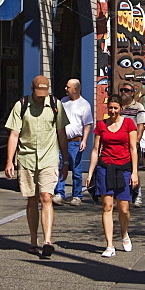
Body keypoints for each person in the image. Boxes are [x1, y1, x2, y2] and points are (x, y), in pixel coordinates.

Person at [5, 75, 69, 257]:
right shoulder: (21, 105)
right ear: (32, 89)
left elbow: (61, 134)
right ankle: (34, 240)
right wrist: (10, 160)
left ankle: (47, 240)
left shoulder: (56, 105)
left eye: (44, 93)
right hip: (26, 158)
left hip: (49, 158)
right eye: (38, 93)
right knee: (32, 199)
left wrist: (65, 161)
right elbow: (14, 134)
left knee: (46, 197)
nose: (41, 97)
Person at [86, 93, 139, 257]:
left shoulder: (129, 124)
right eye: (110, 108)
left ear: (121, 109)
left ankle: (124, 234)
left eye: (116, 108)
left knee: (124, 209)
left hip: (124, 168)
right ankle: (109, 245)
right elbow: (96, 150)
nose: (113, 111)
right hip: (105, 168)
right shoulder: (101, 125)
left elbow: (133, 149)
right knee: (107, 206)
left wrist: (135, 172)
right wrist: (90, 172)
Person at [53, 78, 93, 206]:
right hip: (61, 141)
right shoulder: (63, 102)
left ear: (75, 89)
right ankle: (59, 193)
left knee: (76, 170)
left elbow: (87, 124)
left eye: (68, 87)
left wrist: (84, 140)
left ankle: (77, 195)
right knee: (60, 167)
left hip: (75, 141)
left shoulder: (84, 104)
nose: (66, 89)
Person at [119, 83, 145, 206]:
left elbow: (141, 126)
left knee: (134, 169)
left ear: (132, 93)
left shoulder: (138, 107)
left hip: (132, 143)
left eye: (127, 90)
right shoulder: (118, 107)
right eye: (122, 90)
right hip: (119, 143)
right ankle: (121, 194)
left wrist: (136, 141)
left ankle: (137, 194)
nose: (124, 92)